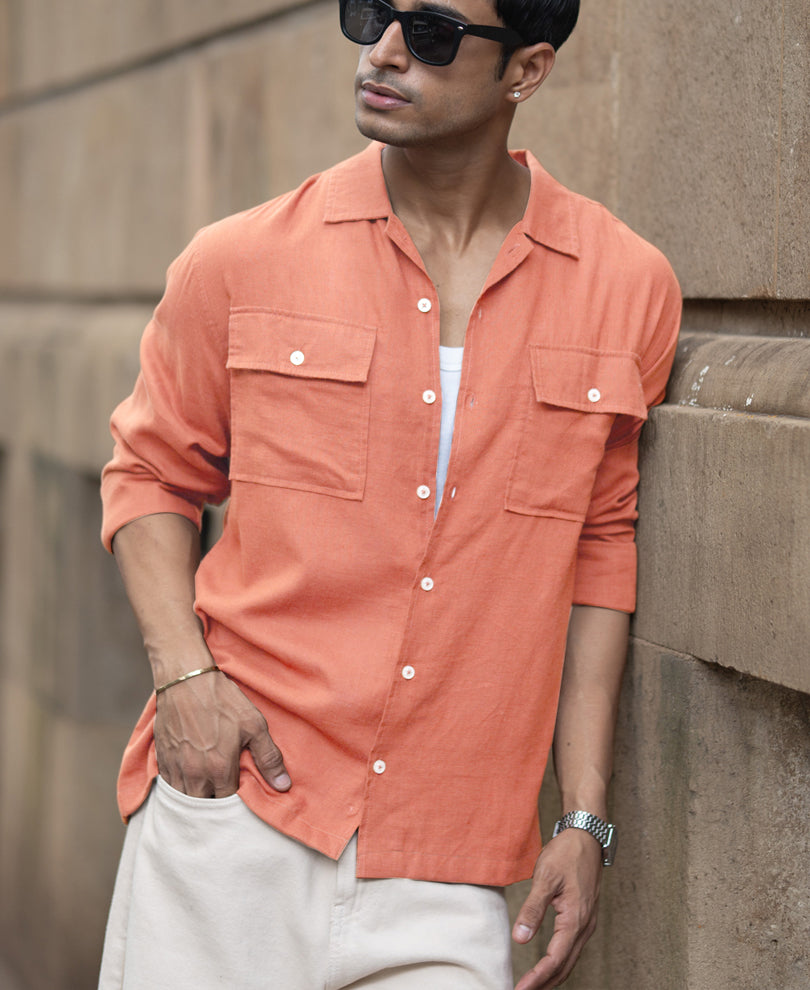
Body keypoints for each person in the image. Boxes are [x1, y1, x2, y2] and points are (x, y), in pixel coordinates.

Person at [98, 0, 681, 986]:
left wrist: (584, 817)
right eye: (372, 12)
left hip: (451, 861)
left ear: (526, 71)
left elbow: (598, 549)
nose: (385, 51)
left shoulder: (626, 287)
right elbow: (151, 470)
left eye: (434, 32)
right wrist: (185, 683)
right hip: (237, 813)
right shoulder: (240, 259)